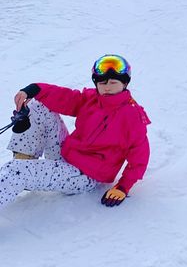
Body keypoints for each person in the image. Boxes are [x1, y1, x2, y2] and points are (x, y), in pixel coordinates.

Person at [1, 55, 150, 209]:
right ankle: (25, 162)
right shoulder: (92, 99)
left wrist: (122, 187)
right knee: (39, 103)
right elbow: (65, 98)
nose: (107, 87)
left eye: (113, 82)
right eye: (102, 82)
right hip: (67, 155)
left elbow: (139, 157)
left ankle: (22, 173)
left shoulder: (132, 116)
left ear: (125, 83)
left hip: (85, 175)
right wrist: (34, 89)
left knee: (14, 170)